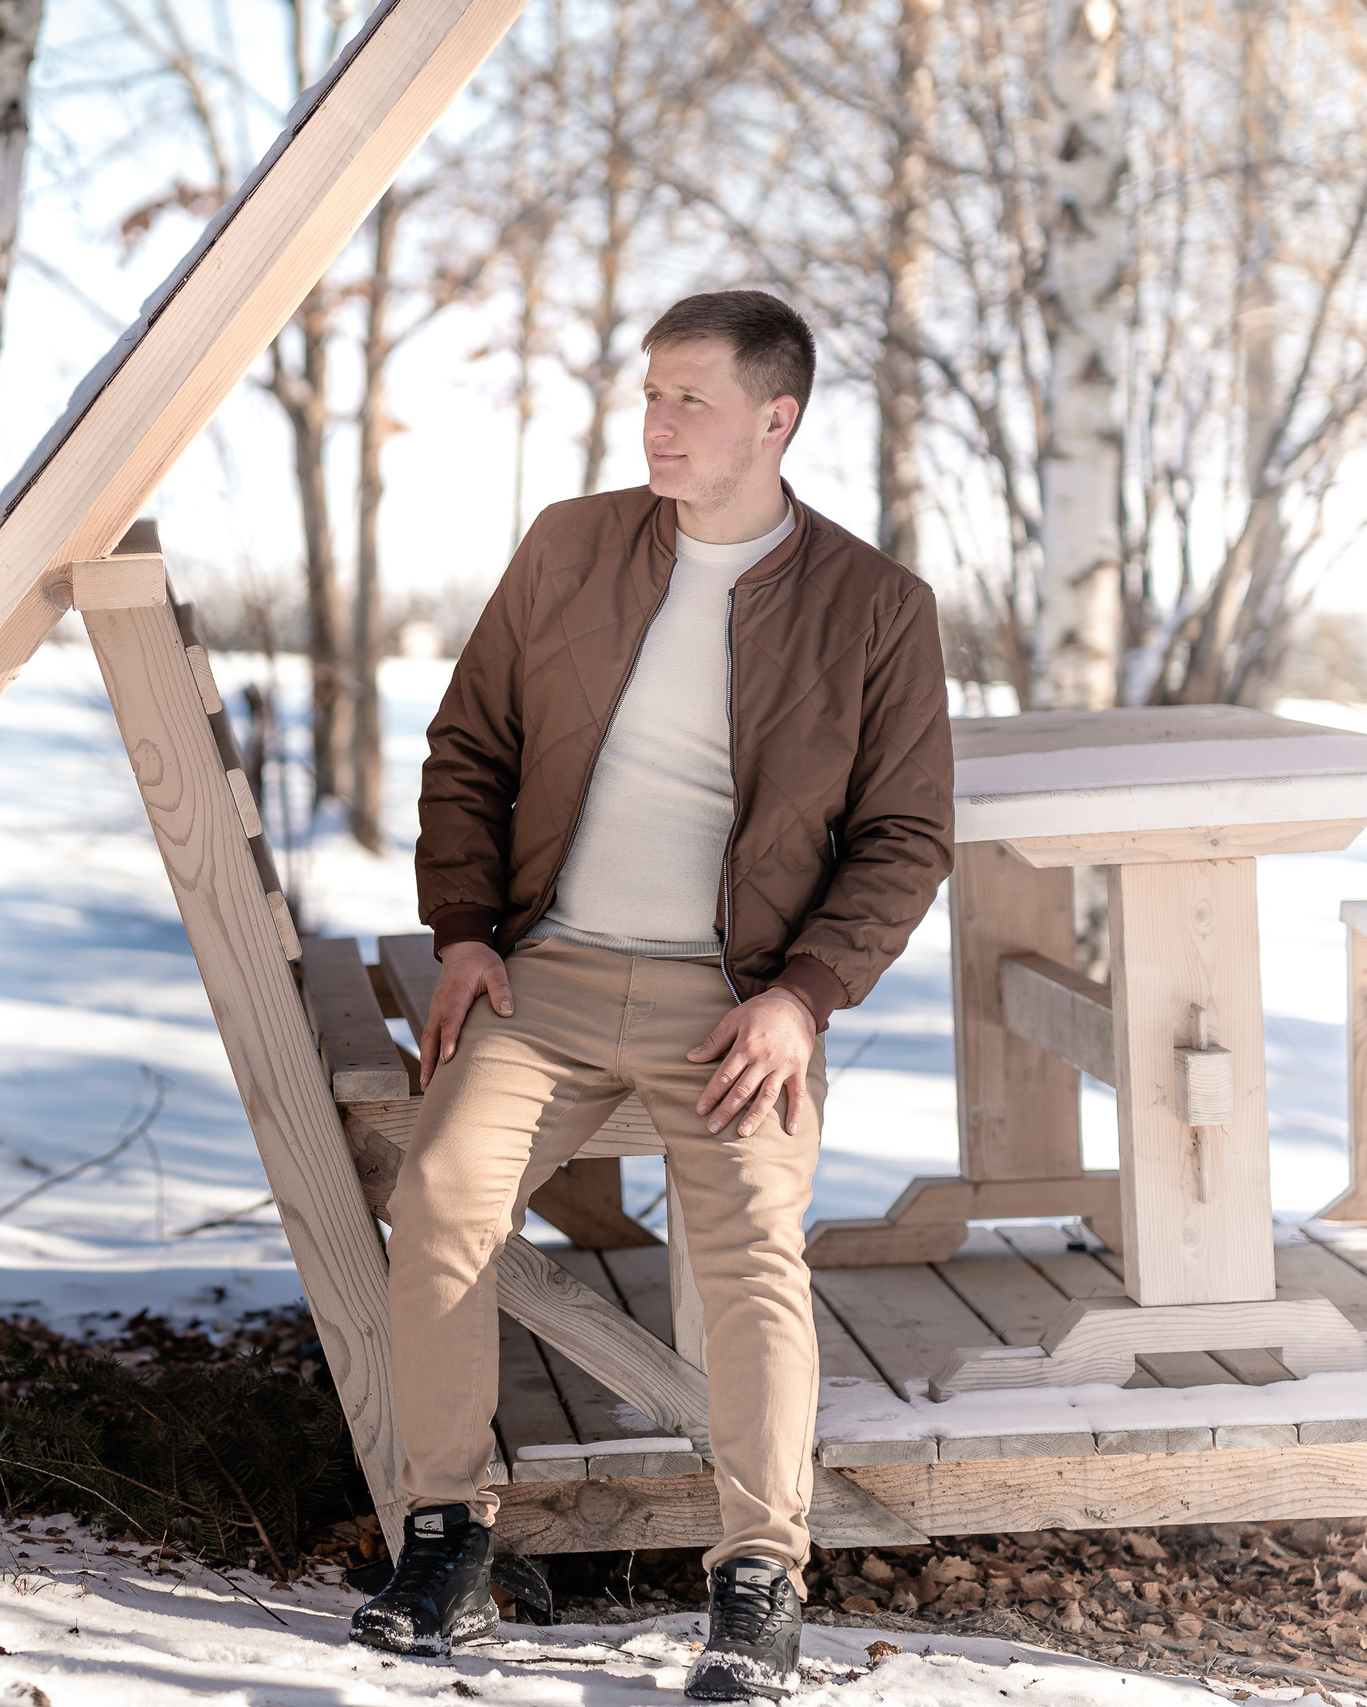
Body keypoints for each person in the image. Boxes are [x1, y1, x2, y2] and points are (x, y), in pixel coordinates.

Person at [348, 291, 952, 1695]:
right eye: (649, 396)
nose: (656, 423)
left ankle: (757, 1578)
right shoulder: (573, 547)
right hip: (546, 981)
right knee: (437, 1200)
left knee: (747, 1251)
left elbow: (904, 836)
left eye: (688, 400)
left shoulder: (874, 607)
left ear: (774, 420)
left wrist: (805, 993)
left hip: (735, 1007)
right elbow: (469, 747)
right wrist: (466, 931)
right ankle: (446, 1539)